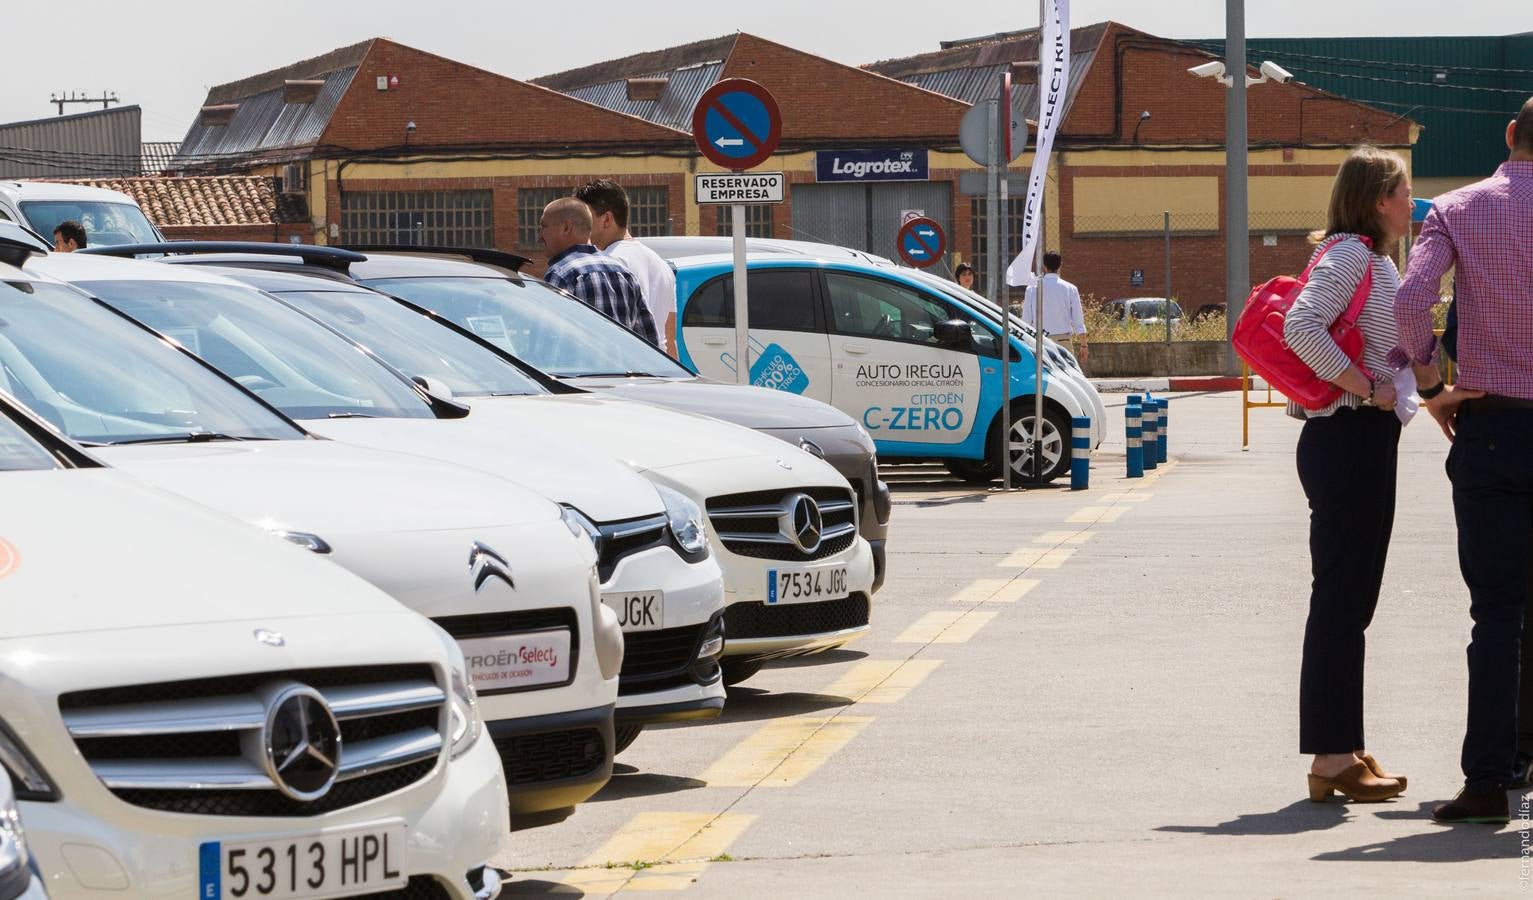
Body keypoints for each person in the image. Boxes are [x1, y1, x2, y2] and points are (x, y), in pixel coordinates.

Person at [1395, 97, 1533, 824]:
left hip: (1492, 433)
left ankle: (1487, 781)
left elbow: (1409, 301)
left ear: (1510, 135)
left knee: (1497, 612)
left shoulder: (1453, 210)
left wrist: (1431, 387)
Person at [1283, 145, 1412, 805]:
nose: (1409, 205)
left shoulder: (1366, 257)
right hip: (1347, 435)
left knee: (1350, 602)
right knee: (1340, 601)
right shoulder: (1350, 255)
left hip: (1358, 438)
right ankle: (1331, 756)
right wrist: (1363, 388)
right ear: (1374, 199)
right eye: (1401, 193)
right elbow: (1298, 325)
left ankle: (1344, 746)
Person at [538, 197, 659, 346]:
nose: (540, 236)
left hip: (579, 369)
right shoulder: (624, 274)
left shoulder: (561, 274)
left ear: (566, 227)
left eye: (543, 227)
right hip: (624, 369)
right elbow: (650, 344)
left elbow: (545, 342)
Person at [574, 180, 676, 355]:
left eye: (585, 219)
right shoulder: (661, 264)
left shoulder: (606, 264)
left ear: (606, 219)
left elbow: (603, 334)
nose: (580, 226)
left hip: (626, 370)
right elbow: (669, 337)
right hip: (659, 369)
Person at [1020, 251, 1088, 365]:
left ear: (1044, 266)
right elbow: (1078, 321)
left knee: (1041, 376)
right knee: (1066, 376)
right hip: (1063, 341)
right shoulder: (1071, 289)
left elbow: (1026, 320)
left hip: (1039, 340)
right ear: (1060, 265)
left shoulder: (1032, 288)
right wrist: (1084, 344)